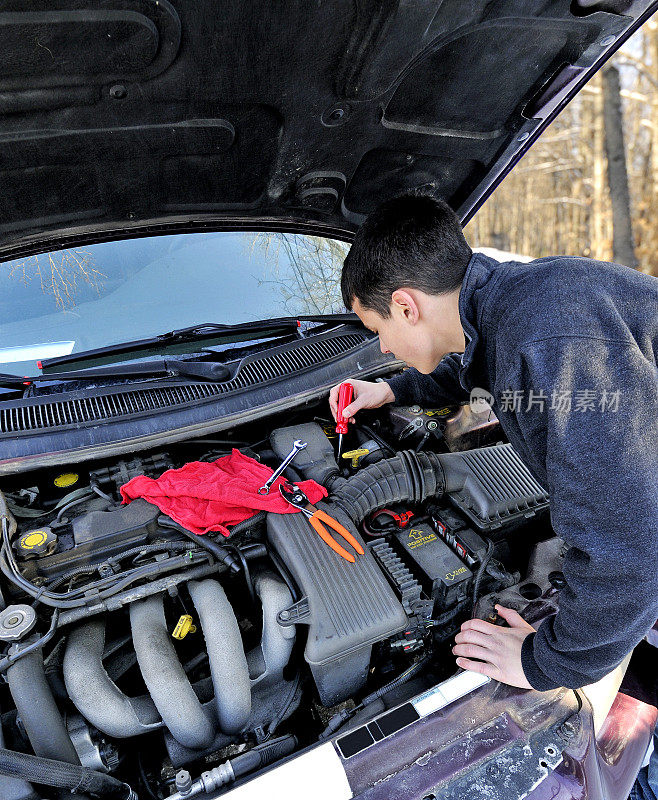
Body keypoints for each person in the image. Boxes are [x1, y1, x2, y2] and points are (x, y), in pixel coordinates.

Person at [329, 192, 658, 694]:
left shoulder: (552, 344)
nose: (384, 348)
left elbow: (632, 550)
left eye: (379, 330)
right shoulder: (511, 302)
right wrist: (393, 389)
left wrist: (544, 663)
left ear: (405, 305)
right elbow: (473, 363)